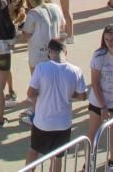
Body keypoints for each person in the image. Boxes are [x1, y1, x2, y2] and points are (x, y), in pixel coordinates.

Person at [24, 39, 87, 170]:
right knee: (57, 157)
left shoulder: (41, 68)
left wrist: (44, 91)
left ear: (49, 52)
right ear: (65, 52)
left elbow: (30, 93)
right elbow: (82, 96)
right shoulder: (76, 70)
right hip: (63, 124)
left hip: (43, 122)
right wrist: (68, 93)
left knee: (34, 151)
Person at [86, 26, 113, 159]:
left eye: (112, 39)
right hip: (98, 102)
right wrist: (103, 106)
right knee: (93, 134)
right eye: (106, 39)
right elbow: (95, 83)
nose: (109, 43)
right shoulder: (99, 56)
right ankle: (89, 162)